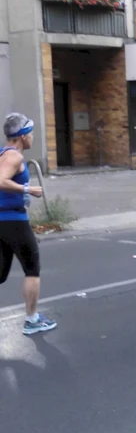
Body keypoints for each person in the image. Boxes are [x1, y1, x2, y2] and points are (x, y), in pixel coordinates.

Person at [0, 113, 57, 335]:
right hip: (13, 221)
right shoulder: (14, 157)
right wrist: (27, 189)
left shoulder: (3, 154)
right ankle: (32, 320)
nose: (32, 136)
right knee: (32, 268)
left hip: (3, 221)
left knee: (1, 273)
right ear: (23, 136)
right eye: (31, 132)